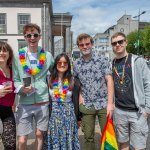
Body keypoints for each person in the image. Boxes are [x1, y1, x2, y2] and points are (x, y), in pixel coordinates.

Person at [12, 23, 54, 150]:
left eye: (35, 34)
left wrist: (53, 86)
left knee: (39, 134)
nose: (32, 38)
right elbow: (15, 79)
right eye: (28, 35)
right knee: (22, 139)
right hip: (24, 102)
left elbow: (55, 73)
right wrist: (21, 88)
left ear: (39, 36)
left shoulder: (47, 55)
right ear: (24, 37)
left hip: (42, 101)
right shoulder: (18, 56)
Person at [73, 33, 114, 150]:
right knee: (88, 137)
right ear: (79, 46)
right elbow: (76, 84)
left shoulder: (102, 60)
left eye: (87, 44)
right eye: (82, 45)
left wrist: (110, 104)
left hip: (103, 104)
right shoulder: (76, 64)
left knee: (108, 136)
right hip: (87, 105)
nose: (85, 47)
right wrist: (80, 97)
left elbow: (109, 81)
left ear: (92, 44)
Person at [111, 32, 150, 150]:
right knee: (123, 144)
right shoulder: (112, 63)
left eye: (120, 41)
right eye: (114, 43)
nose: (117, 44)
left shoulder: (138, 61)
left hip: (137, 112)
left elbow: (148, 85)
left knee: (138, 147)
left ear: (126, 42)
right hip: (119, 111)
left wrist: (147, 110)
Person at [42, 53, 81, 150]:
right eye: (59, 63)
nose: (62, 65)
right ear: (55, 64)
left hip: (69, 116)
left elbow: (77, 100)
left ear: (68, 65)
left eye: (65, 63)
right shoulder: (49, 79)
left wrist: (79, 117)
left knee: (68, 140)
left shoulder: (73, 80)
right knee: (56, 139)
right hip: (54, 116)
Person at [0, 41, 16, 149]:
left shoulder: (13, 70)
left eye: (4, 50)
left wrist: (15, 102)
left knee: (10, 144)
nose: (1, 53)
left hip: (7, 111)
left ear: (9, 54)